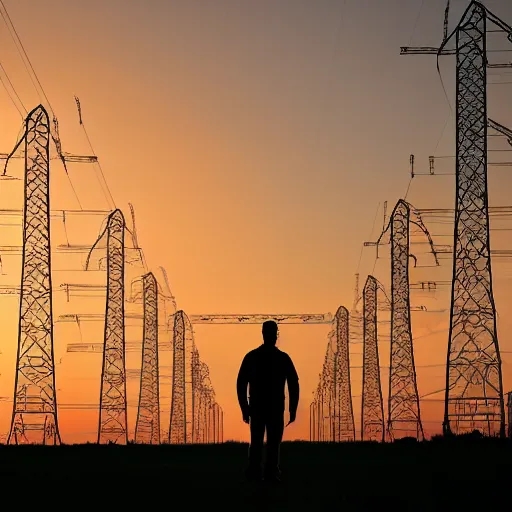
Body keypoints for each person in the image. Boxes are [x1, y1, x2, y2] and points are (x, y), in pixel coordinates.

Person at [236, 320, 299, 482]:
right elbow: (293, 384)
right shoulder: (282, 359)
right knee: (273, 443)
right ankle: (270, 473)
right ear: (275, 335)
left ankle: (255, 472)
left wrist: (245, 407)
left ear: (263, 334)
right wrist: (292, 409)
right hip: (274, 408)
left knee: (257, 441)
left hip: (257, 408)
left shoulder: (252, 357)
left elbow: (241, 384)